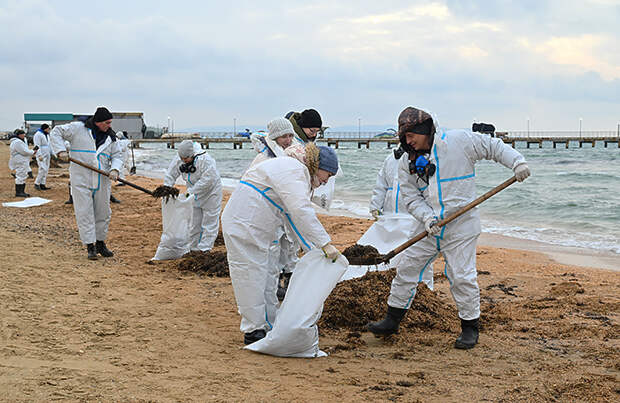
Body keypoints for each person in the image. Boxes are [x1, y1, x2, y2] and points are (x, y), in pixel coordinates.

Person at [368, 106, 531, 350]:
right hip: (429, 226)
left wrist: (517, 163)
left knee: (461, 276)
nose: (407, 141)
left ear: (424, 130)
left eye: (410, 136)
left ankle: (469, 328)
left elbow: (493, 147)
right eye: (404, 137)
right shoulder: (406, 160)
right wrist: (426, 218)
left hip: (461, 225)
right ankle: (391, 320)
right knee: (407, 267)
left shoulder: (458, 142)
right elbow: (411, 197)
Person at [222, 142, 341, 345]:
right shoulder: (294, 170)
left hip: (257, 226)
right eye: (327, 175)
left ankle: (269, 324)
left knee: (267, 276)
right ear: (319, 166)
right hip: (245, 224)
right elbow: (300, 210)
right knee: (250, 277)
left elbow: (292, 218)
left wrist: (315, 248)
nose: (324, 182)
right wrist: (325, 243)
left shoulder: (295, 171)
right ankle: (253, 330)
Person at [49, 107, 123, 260]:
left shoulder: (111, 137)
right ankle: (90, 246)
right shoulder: (78, 129)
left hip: (102, 179)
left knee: (103, 212)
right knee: (85, 212)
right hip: (80, 179)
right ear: (98, 122)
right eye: (107, 122)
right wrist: (60, 150)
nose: (109, 125)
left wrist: (115, 169)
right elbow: (56, 132)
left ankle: (101, 243)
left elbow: (117, 155)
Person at [368, 145, 434, 289]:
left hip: (412, 216)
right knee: (387, 249)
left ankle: (424, 287)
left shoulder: (423, 159)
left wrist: (429, 214)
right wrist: (375, 206)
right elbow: (381, 184)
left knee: (417, 254)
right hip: (390, 215)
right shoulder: (390, 159)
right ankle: (390, 284)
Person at [249, 118, 299, 301]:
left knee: (290, 245)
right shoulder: (264, 159)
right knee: (273, 249)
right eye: (283, 136)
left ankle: (287, 281)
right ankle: (273, 285)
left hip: (284, 210)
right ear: (275, 138)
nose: (287, 140)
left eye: (290, 136)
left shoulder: (289, 155)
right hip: (269, 210)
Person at [163, 140, 223, 252]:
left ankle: (205, 249)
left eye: (186, 159)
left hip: (211, 192)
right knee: (194, 221)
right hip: (193, 192)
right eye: (182, 159)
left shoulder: (205, 160)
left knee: (209, 221)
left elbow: (208, 180)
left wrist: (190, 192)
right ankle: (194, 248)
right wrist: (166, 188)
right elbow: (171, 174)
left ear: (193, 155)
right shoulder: (179, 159)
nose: (184, 161)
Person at [9, 129, 37, 197]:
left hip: (21, 160)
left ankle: (21, 191)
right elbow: (24, 151)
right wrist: (33, 152)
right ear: (19, 135)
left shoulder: (17, 141)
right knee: (21, 175)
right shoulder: (17, 142)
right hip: (20, 160)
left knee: (23, 174)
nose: (24, 135)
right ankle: (19, 192)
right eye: (23, 134)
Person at [33, 124, 52, 190]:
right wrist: (39, 155)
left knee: (46, 170)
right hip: (41, 154)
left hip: (47, 153)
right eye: (48, 129)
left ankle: (42, 184)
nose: (49, 130)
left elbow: (49, 145)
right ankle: (37, 183)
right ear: (45, 128)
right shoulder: (38, 135)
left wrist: (52, 153)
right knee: (42, 169)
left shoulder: (46, 135)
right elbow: (37, 145)